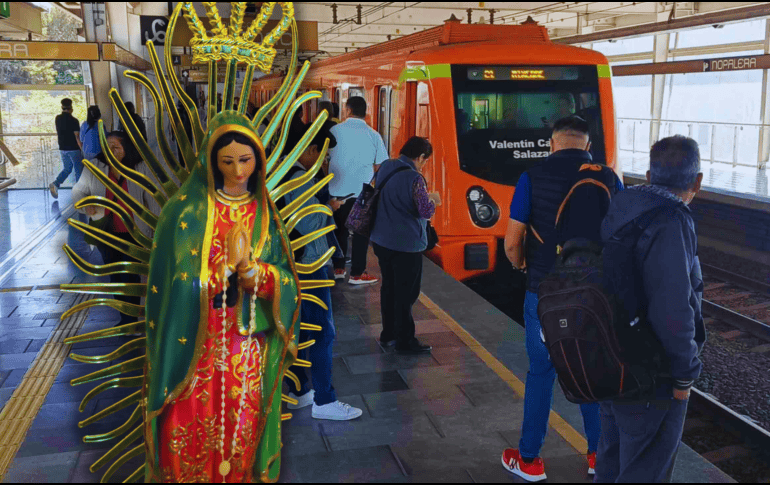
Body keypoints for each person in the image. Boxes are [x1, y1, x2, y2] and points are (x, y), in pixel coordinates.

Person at [501, 116, 623, 481]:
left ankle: (529, 460)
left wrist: (523, 266)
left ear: (551, 143)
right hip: (594, 296)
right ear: (587, 146)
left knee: (541, 373)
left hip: (544, 293)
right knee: (588, 370)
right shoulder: (608, 177)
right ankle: (597, 457)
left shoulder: (532, 177)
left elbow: (512, 241)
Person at [595, 135, 706, 483]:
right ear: (698, 182)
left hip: (610, 358)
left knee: (611, 463)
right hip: (649, 372)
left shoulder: (624, 203)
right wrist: (685, 374)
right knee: (645, 471)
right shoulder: (673, 220)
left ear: (648, 172)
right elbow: (674, 306)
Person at [281, 126, 363, 420]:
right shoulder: (299, 179)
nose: (325, 162)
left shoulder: (283, 172)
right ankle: (324, 401)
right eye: (323, 155)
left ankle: (301, 391)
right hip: (309, 266)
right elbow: (308, 224)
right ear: (310, 150)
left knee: (302, 330)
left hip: (293, 267)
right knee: (322, 332)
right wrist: (328, 206)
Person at [71, 131, 159, 326]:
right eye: (107, 146)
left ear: (126, 149)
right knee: (116, 277)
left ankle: (130, 318)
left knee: (131, 275)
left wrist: (156, 229)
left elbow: (152, 200)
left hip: (135, 233)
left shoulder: (140, 168)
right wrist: (85, 203)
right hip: (106, 233)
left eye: (116, 147)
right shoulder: (94, 166)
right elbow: (78, 190)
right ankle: (124, 315)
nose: (111, 151)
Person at [370, 136, 440, 354]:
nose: (423, 165)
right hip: (406, 245)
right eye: (424, 161)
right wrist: (433, 201)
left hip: (381, 241)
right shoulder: (415, 179)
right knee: (406, 294)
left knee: (388, 288)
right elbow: (424, 211)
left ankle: (388, 334)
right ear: (419, 157)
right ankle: (405, 341)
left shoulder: (386, 167)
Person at [328, 96, 388, 284]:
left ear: (347, 110)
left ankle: (338, 268)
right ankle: (357, 273)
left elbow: (323, 158)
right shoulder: (374, 135)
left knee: (339, 231)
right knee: (361, 233)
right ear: (366, 112)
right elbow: (380, 167)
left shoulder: (333, 131)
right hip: (362, 193)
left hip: (336, 192)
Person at [49, 98, 82, 199]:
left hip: (63, 148)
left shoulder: (57, 118)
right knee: (78, 170)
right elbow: (77, 136)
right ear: (71, 108)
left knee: (67, 168)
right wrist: (82, 148)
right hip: (74, 149)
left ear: (62, 107)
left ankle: (56, 183)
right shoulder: (74, 120)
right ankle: (79, 192)